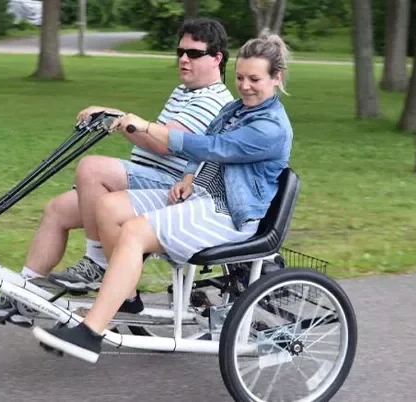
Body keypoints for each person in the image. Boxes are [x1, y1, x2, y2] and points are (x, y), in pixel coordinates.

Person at [32, 33, 294, 363]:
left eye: (255, 79)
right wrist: (187, 176)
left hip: (228, 214)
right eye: (240, 77)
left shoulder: (271, 127)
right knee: (108, 207)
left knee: (134, 231)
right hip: (199, 195)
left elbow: (210, 147)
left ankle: (90, 333)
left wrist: (146, 127)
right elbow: (207, 140)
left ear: (276, 78)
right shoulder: (236, 109)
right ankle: (124, 295)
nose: (244, 86)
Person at [0, 17, 234, 323]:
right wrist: (115, 117)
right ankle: (22, 296)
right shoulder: (185, 91)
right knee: (57, 210)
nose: (183, 59)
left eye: (193, 54)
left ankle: (98, 262)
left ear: (217, 58)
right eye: (180, 52)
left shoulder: (214, 99)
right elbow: (148, 133)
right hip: (145, 176)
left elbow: (164, 144)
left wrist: (120, 119)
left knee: (91, 168)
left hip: (169, 187)